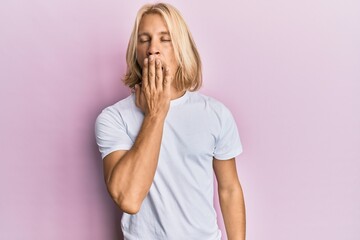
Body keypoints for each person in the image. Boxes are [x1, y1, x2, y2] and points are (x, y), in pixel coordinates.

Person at [95, 3, 246, 240]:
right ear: (136, 50)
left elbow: (229, 189)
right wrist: (155, 114)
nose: (153, 49)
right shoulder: (113, 118)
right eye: (144, 39)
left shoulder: (216, 114)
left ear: (181, 48)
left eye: (165, 39)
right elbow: (129, 198)